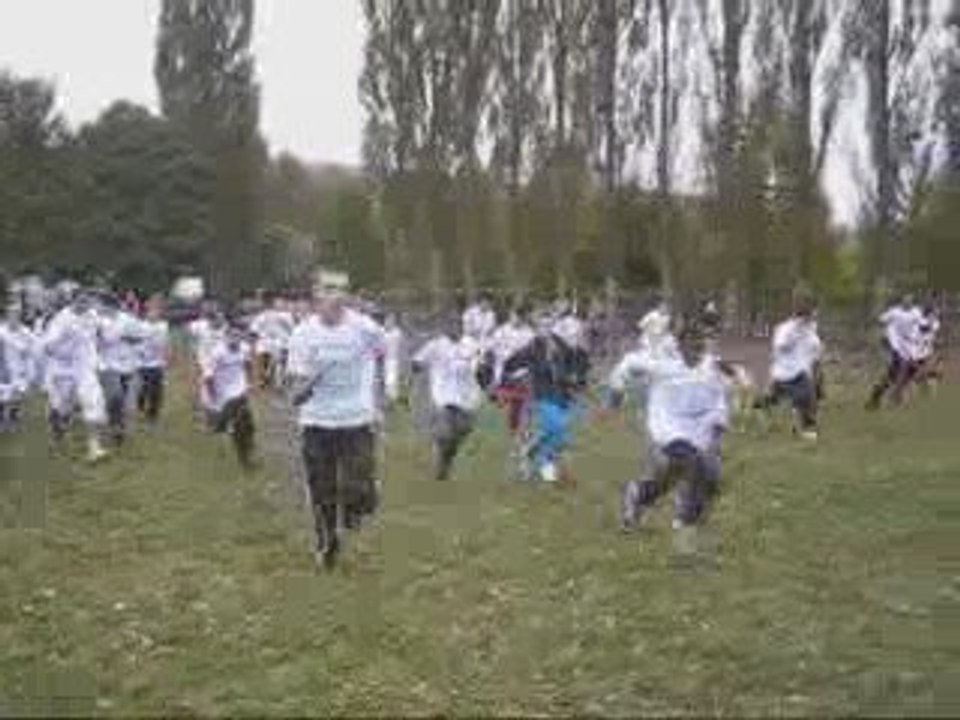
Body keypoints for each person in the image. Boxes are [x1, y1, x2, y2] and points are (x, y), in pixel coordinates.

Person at [288, 279, 387, 570]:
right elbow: (295, 390)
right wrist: (307, 385)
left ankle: (355, 507)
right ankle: (327, 541)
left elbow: (383, 352)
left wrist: (379, 388)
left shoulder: (364, 327)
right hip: (317, 422)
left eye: (337, 294)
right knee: (322, 488)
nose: (331, 301)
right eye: (325, 295)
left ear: (345, 300)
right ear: (315, 301)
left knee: (361, 487)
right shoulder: (303, 334)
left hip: (356, 419)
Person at [606, 320, 729, 539]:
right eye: (691, 347)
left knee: (702, 477)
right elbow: (628, 363)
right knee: (694, 464)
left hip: (698, 431)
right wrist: (616, 392)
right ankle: (685, 527)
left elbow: (719, 398)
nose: (696, 352)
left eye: (700, 347)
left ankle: (638, 495)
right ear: (680, 346)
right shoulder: (663, 364)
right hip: (667, 426)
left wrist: (719, 424)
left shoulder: (713, 367)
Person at [502, 313, 590, 484]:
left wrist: (578, 379)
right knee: (557, 426)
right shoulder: (531, 347)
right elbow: (510, 364)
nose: (546, 329)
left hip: (562, 394)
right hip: (542, 393)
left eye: (549, 325)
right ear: (536, 329)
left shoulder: (560, 343)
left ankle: (531, 452)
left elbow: (574, 361)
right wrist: (513, 378)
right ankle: (545, 466)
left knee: (558, 435)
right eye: (542, 326)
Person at [412, 316, 487, 482]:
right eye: (449, 325)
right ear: (444, 328)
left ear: (461, 327)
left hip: (468, 395)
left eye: (457, 325)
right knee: (446, 430)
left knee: (463, 429)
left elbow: (481, 366)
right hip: (443, 394)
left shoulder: (472, 344)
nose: (453, 328)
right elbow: (418, 360)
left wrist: (482, 373)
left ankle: (446, 458)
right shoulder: (435, 345)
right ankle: (441, 458)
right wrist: (417, 367)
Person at [39, 291, 109, 462]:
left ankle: (94, 447)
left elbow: (102, 328)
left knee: (94, 402)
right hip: (63, 370)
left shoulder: (92, 315)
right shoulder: (61, 319)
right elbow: (47, 346)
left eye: (87, 302)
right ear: (73, 301)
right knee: (62, 407)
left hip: (85, 368)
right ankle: (58, 424)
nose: (85, 305)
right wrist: (62, 354)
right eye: (81, 302)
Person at [754, 293, 823, 439]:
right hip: (783, 371)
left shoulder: (809, 327)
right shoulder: (786, 328)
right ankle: (761, 405)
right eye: (810, 315)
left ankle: (804, 428)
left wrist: (816, 354)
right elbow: (780, 346)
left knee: (806, 397)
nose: (813, 318)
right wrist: (793, 338)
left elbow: (813, 343)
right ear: (802, 315)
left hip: (799, 370)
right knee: (801, 396)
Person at [202, 318, 256, 469]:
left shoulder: (244, 348)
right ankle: (244, 455)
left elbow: (247, 363)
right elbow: (208, 377)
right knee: (238, 423)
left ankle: (245, 447)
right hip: (223, 393)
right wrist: (213, 397)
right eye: (232, 337)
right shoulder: (217, 353)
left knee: (247, 424)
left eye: (239, 337)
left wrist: (249, 381)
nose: (236, 340)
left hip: (240, 390)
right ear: (226, 337)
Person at [97, 296, 143, 445]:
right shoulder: (98, 321)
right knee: (115, 395)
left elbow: (139, 338)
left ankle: (119, 427)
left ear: (113, 306)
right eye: (101, 307)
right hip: (106, 364)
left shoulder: (128, 320)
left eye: (104, 306)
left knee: (121, 400)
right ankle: (115, 425)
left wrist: (125, 337)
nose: (102, 309)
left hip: (127, 364)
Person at [867, 293, 924, 410]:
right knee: (903, 367)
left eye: (910, 300)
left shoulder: (916, 312)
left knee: (895, 374)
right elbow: (880, 320)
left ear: (912, 302)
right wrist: (884, 335)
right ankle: (895, 397)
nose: (907, 302)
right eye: (905, 299)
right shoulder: (894, 312)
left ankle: (877, 394)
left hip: (910, 346)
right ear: (901, 301)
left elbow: (922, 324)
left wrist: (925, 328)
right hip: (897, 346)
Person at [488, 306, 536, 436]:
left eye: (520, 317)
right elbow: (490, 349)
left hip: (523, 372)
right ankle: (513, 429)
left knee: (528, 401)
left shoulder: (529, 333)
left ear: (524, 318)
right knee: (515, 404)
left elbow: (533, 352)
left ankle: (527, 430)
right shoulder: (501, 331)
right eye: (515, 316)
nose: (517, 319)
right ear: (511, 316)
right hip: (505, 372)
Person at [135, 295, 170, 425]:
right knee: (142, 389)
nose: (154, 314)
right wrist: (139, 352)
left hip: (158, 363)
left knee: (157, 391)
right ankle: (140, 405)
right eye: (151, 311)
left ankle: (153, 415)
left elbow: (166, 343)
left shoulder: (164, 326)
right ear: (147, 312)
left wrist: (166, 356)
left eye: (156, 311)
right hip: (142, 363)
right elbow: (135, 342)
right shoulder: (140, 325)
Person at [250, 297, 294, 390]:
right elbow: (254, 328)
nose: (279, 304)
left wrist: (282, 321)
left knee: (280, 359)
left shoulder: (287, 315)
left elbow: (292, 329)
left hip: (282, 342)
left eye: (281, 302)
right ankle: (262, 379)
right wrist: (255, 338)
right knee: (260, 353)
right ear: (273, 304)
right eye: (277, 302)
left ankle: (279, 381)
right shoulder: (264, 315)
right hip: (265, 341)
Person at [384, 312, 405, 406]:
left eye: (390, 320)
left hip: (393, 360)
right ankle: (387, 400)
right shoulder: (384, 332)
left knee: (391, 381)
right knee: (385, 381)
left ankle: (391, 401)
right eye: (386, 320)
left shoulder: (397, 333)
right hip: (384, 360)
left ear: (394, 322)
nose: (387, 322)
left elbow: (399, 348)